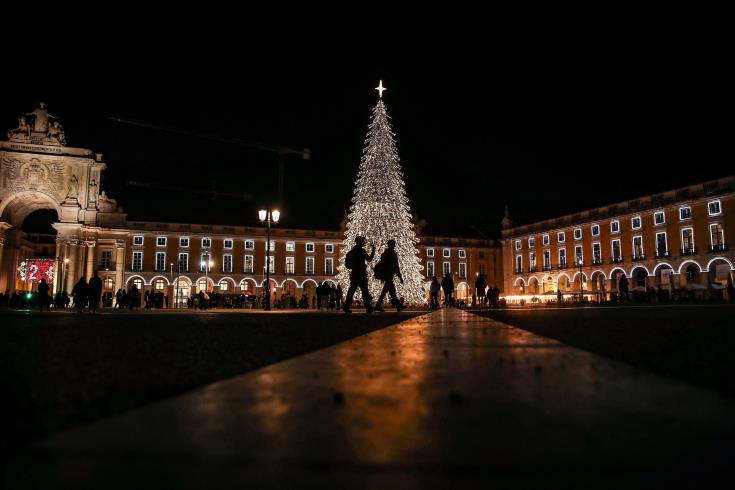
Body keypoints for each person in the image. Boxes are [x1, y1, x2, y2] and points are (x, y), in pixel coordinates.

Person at [343, 236, 375, 314]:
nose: (363, 242)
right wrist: (373, 250)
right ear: (359, 242)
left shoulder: (351, 252)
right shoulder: (361, 251)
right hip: (361, 273)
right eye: (362, 241)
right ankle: (368, 307)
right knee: (365, 291)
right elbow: (369, 259)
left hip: (354, 273)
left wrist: (353, 266)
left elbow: (347, 265)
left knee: (351, 291)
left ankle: (346, 307)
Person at [373, 239, 406, 312]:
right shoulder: (392, 254)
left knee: (387, 291)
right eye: (393, 244)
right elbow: (396, 266)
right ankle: (398, 306)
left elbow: (383, 264)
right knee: (391, 291)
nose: (394, 246)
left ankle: (378, 305)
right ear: (391, 245)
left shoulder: (385, 253)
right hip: (389, 275)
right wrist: (400, 277)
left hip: (387, 275)